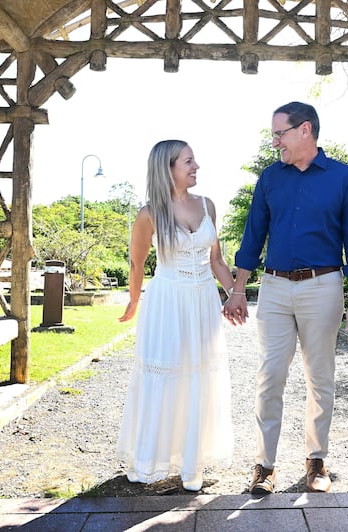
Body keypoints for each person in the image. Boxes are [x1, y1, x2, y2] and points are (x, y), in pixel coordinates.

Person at [223, 102, 348, 495]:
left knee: (319, 376)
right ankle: (264, 465)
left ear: (305, 130)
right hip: (273, 288)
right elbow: (253, 235)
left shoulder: (343, 178)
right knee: (270, 374)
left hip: (322, 286)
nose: (275, 143)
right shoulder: (271, 178)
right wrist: (238, 289)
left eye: (279, 134)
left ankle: (316, 459)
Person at [117, 139, 235, 492]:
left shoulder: (208, 205)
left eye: (194, 160)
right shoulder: (149, 213)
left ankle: (191, 463)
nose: (196, 166)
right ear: (167, 168)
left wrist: (235, 294)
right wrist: (134, 300)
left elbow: (216, 260)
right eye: (188, 161)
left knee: (198, 377)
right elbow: (137, 264)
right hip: (167, 300)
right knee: (164, 376)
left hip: (202, 302)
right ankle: (148, 459)